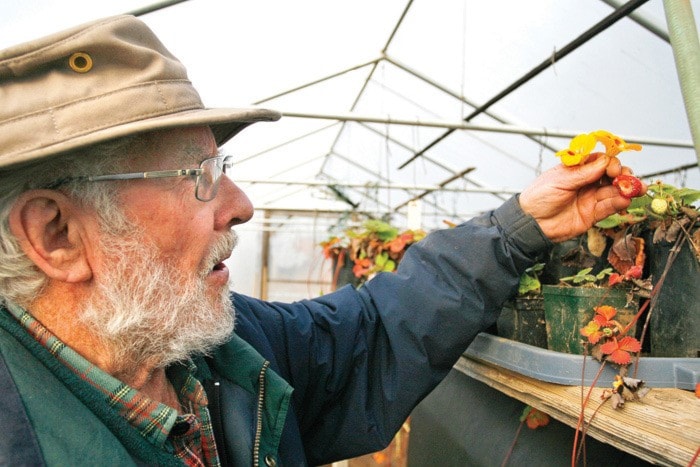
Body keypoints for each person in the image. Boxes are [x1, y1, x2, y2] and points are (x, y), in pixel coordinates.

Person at [0, 15, 640, 467]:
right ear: (56, 235)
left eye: (224, 169)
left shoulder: (223, 353)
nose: (241, 206)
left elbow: (374, 331)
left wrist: (522, 224)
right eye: (199, 177)